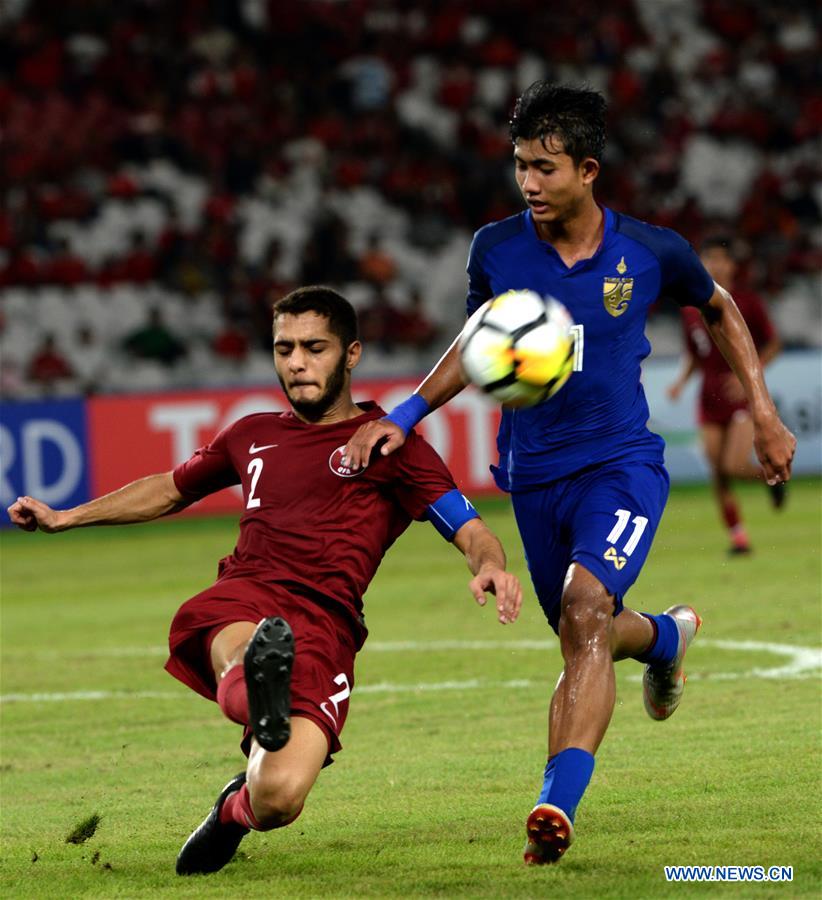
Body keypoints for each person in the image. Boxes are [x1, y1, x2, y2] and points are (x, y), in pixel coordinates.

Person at [341, 82, 796, 865]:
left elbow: (719, 310)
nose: (528, 183)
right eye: (519, 165)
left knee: (586, 609)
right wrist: (407, 414)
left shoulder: (651, 251)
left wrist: (762, 410)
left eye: (544, 168)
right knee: (582, 631)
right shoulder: (497, 249)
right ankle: (664, 638)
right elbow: (479, 340)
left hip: (621, 465)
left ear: (587, 169)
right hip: (534, 477)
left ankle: (557, 803)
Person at [7, 286, 522, 876]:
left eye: (313, 347)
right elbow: (171, 488)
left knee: (279, 799)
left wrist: (490, 566)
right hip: (246, 593)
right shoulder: (251, 433)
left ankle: (235, 808)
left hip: (327, 624)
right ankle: (259, 686)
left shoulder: (391, 446)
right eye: (284, 349)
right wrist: (67, 516)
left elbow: (469, 528)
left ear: (351, 354)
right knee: (248, 646)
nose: (296, 362)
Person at [667, 237, 784, 554]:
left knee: (733, 464)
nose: (715, 265)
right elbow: (695, 354)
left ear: (732, 265)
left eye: (721, 259)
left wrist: (749, 372)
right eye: (709, 259)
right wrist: (680, 382)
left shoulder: (746, 302)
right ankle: (738, 538)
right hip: (708, 396)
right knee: (717, 470)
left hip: (741, 395)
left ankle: (770, 479)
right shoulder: (690, 309)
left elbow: (773, 344)